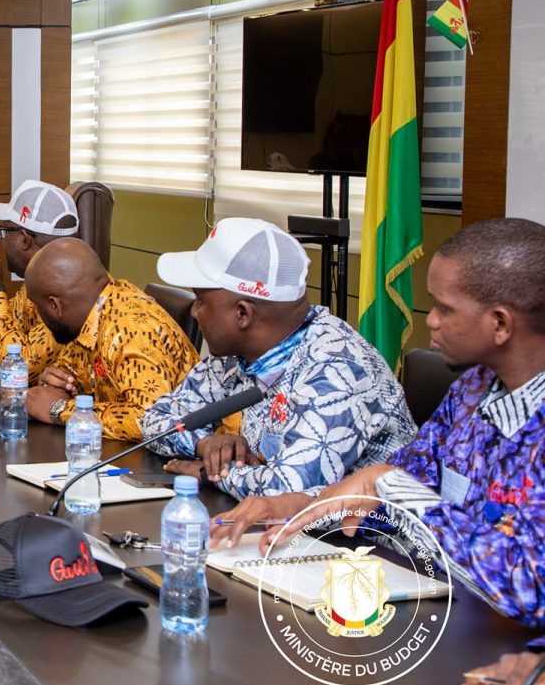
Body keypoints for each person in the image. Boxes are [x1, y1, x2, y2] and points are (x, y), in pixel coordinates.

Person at [216, 220, 545, 647]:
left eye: (444, 308)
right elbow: (395, 499)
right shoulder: (472, 390)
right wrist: (303, 505)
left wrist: (386, 482)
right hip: (451, 624)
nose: (432, 321)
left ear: (500, 324)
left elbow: (530, 586)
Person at [143, 218, 414, 498]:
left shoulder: (339, 369)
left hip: (369, 524)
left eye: (200, 300)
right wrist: (205, 444)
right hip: (275, 519)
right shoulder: (234, 356)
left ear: (242, 314)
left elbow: (288, 489)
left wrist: (210, 472)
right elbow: (155, 419)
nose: (194, 312)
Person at [19, 239, 198, 440]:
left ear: (55, 306)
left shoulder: (131, 328)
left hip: (186, 455)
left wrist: (60, 410)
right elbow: (77, 374)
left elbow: (151, 421)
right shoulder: (93, 313)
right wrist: (57, 384)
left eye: (38, 307)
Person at [0, 180, 81, 369]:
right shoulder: (31, 288)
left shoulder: (67, 297)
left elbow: (20, 367)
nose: (3, 241)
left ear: (24, 239)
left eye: (4, 231)